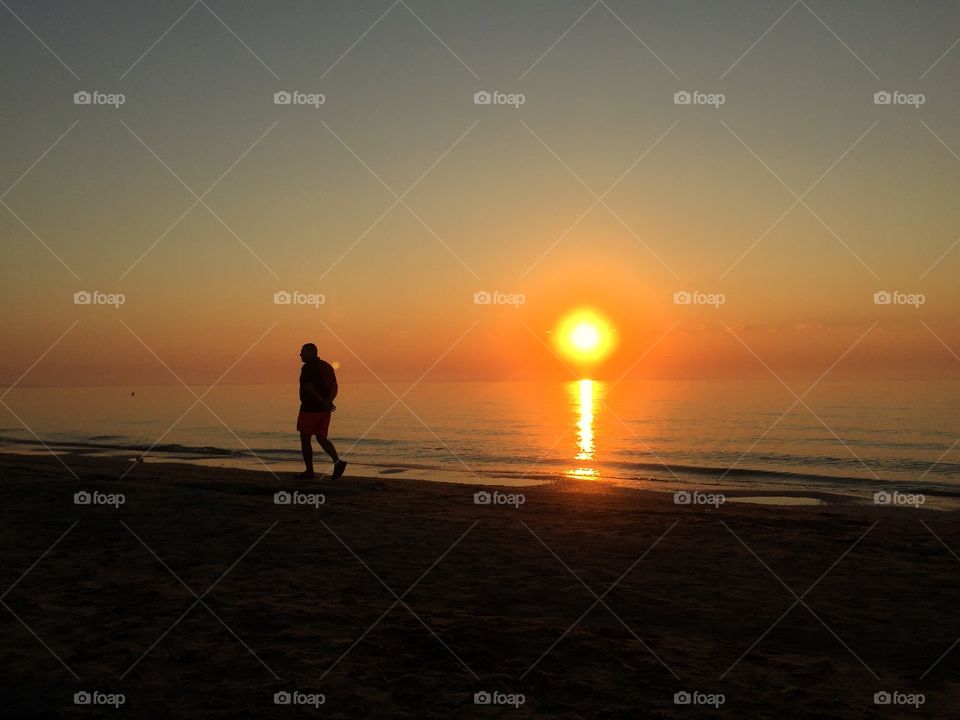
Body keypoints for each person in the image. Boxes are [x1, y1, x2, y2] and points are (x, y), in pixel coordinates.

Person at [296, 343, 346, 479]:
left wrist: (323, 401)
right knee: (321, 437)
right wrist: (328, 401)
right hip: (324, 410)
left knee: (305, 438)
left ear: (312, 352)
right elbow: (335, 387)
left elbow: (308, 387)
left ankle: (309, 471)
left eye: (303, 352)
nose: (300, 355)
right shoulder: (327, 366)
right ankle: (337, 461)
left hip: (310, 409)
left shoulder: (307, 368)